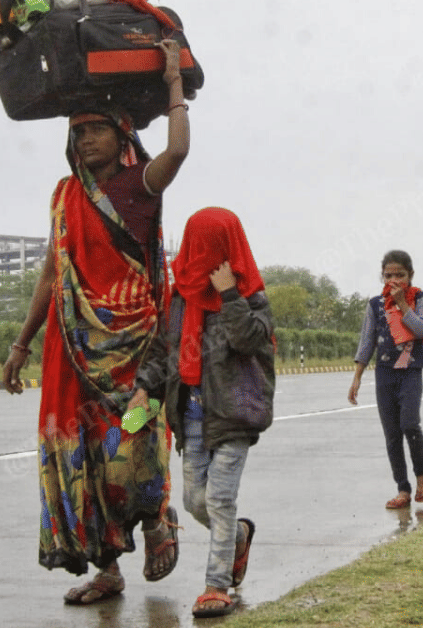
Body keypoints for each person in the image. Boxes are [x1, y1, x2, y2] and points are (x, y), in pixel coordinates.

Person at [1, 40, 190, 605]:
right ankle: (107, 569)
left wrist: (175, 82)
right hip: (71, 349)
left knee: (133, 448)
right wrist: (21, 344)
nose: (85, 141)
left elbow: (177, 152)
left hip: (134, 349)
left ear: (123, 136)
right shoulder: (64, 197)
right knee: (82, 452)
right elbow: (50, 276)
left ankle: (158, 519)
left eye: (96, 130)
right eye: (78, 133)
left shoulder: (139, 187)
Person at [132, 207, 275, 618]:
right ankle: (240, 536)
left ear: (229, 246)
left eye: (213, 245)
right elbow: (165, 352)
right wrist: (144, 388)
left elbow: (247, 339)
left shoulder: (252, 295)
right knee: (195, 501)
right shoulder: (179, 298)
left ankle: (216, 585)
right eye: (198, 244)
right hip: (190, 414)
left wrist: (229, 294)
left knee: (219, 500)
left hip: (234, 415)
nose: (204, 253)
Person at [348, 250, 423, 509]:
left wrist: (403, 305)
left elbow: (421, 329)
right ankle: (403, 489)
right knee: (392, 434)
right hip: (384, 373)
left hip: (410, 370)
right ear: (382, 276)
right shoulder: (375, 304)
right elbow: (367, 340)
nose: (394, 280)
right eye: (389, 275)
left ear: (411, 275)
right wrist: (357, 377)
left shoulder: (418, 297)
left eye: (400, 275)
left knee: (409, 423)